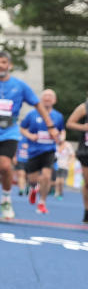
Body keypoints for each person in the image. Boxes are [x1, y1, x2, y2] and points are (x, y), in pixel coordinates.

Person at [0, 51, 57, 221]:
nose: (0, 65)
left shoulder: (20, 86)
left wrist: (50, 126)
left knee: (5, 166)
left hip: (9, 131)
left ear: (10, 65)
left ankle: (6, 200)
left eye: (3, 62)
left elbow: (38, 105)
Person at [19, 89, 64, 214]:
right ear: (41, 99)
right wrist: (30, 136)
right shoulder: (32, 114)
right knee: (32, 179)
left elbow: (61, 131)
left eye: (50, 97)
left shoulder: (58, 116)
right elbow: (22, 128)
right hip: (33, 150)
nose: (48, 99)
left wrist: (60, 139)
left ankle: (42, 202)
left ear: (54, 100)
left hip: (49, 150)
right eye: (45, 96)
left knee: (46, 176)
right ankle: (34, 189)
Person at [65, 94, 88, 223]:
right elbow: (70, 123)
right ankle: (87, 210)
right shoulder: (84, 107)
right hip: (86, 151)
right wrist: (84, 127)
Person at [54, 134, 73, 199]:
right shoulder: (55, 145)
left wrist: (69, 162)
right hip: (56, 165)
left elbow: (72, 155)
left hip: (65, 166)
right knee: (57, 180)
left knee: (61, 181)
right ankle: (56, 192)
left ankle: (60, 192)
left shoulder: (68, 145)